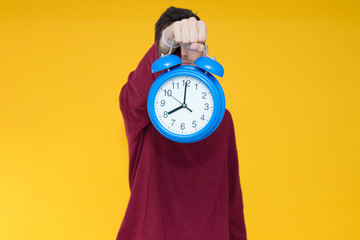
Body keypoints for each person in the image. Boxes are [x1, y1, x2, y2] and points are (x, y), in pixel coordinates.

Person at [116, 6, 247, 240]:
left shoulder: (223, 119)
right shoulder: (141, 110)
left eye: (191, 46)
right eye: (175, 48)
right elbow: (136, 91)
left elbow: (232, 199)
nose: (184, 54)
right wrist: (166, 40)